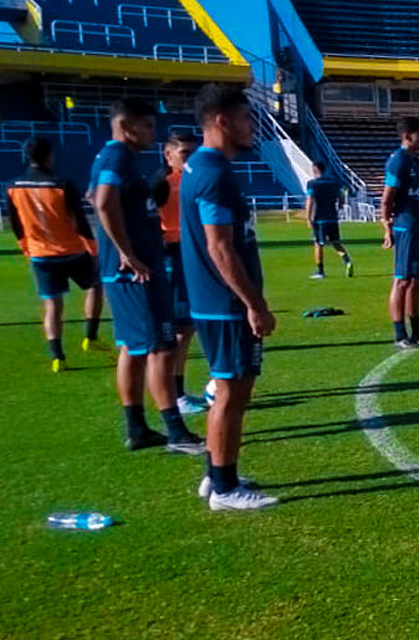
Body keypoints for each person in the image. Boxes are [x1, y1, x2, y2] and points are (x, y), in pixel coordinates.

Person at [180, 83, 279, 510]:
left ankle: (216, 474)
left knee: (225, 389)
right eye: (244, 118)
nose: (251, 126)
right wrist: (254, 303)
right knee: (232, 394)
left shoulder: (201, 167)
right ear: (221, 121)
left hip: (215, 302)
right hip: (225, 305)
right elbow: (220, 247)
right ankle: (225, 490)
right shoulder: (213, 173)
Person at [91, 98, 203, 454]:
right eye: (148, 126)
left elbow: (98, 195)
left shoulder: (116, 160)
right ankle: (175, 430)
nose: (153, 134)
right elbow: (103, 200)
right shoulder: (116, 158)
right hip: (134, 272)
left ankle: (137, 427)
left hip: (127, 270)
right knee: (159, 347)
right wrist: (128, 252)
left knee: (134, 348)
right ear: (127, 127)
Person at [4, 136, 104, 372]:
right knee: (95, 287)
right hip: (73, 251)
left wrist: (25, 247)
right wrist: (93, 248)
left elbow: (15, 222)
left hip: (40, 253)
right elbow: (79, 221)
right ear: (49, 155)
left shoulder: (12, 186)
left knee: (52, 305)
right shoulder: (62, 184)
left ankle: (57, 356)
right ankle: (91, 336)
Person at [149, 130, 206, 414]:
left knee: (187, 327)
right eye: (184, 153)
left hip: (194, 256)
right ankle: (176, 396)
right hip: (173, 257)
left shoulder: (195, 179)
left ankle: (178, 393)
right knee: (180, 329)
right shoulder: (161, 183)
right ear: (167, 154)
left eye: (193, 153)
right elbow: (146, 223)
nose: (190, 159)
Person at [382, 116, 419, 349]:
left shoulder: (413, 161)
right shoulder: (398, 161)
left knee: (417, 279)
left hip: (416, 225)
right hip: (405, 226)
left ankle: (417, 329)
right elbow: (387, 199)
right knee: (402, 280)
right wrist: (387, 227)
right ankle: (400, 334)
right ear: (408, 136)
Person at [305, 161, 353, 279]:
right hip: (332, 218)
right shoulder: (334, 182)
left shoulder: (312, 184)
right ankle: (347, 261)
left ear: (315, 170)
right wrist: (340, 205)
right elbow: (342, 196)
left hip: (320, 219)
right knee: (336, 242)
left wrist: (308, 217)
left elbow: (310, 200)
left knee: (318, 244)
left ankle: (320, 271)